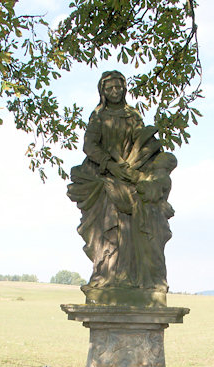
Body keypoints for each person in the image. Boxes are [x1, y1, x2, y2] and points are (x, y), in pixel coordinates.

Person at [67, 70, 176, 304]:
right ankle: (107, 275)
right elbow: (90, 146)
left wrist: (134, 169)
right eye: (110, 88)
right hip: (104, 175)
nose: (115, 91)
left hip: (130, 177)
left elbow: (143, 143)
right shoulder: (98, 116)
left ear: (124, 89)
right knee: (109, 228)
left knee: (138, 223)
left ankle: (139, 278)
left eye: (118, 87)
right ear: (103, 92)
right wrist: (109, 165)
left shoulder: (132, 115)